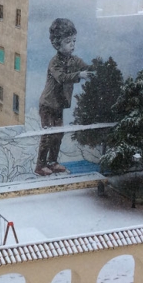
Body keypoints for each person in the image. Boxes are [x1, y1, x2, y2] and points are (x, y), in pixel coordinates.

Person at [35, 18, 94, 177]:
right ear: (57, 44)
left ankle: (53, 162)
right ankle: (40, 165)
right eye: (68, 42)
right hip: (47, 105)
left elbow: (86, 67)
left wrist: (96, 68)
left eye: (74, 41)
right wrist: (79, 75)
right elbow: (61, 77)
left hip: (59, 105)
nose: (72, 45)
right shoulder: (55, 62)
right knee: (48, 135)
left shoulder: (74, 60)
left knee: (58, 134)